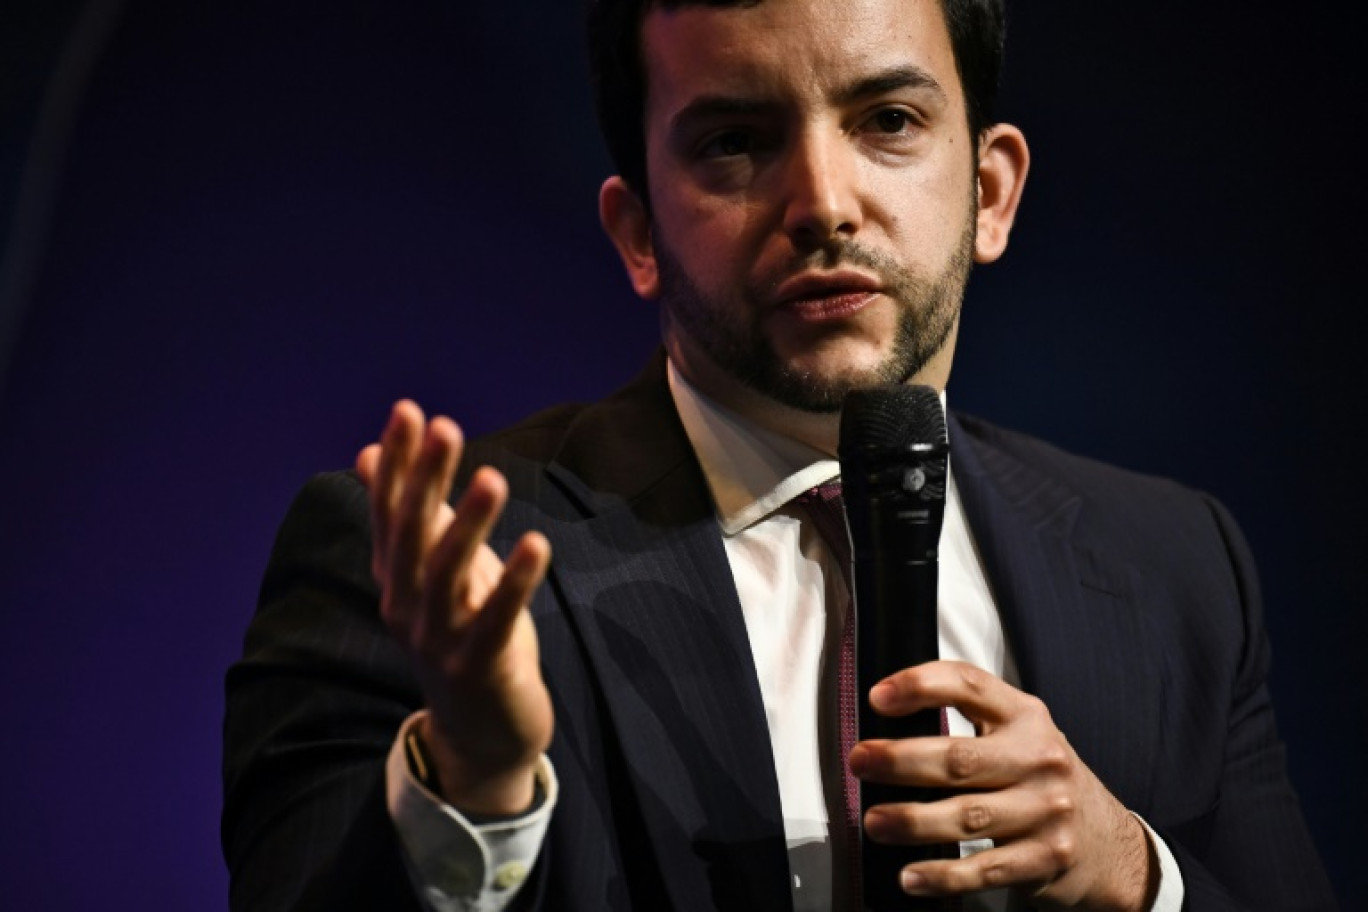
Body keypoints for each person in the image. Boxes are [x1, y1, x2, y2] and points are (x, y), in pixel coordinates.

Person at [221, 0, 1336, 909]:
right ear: (639, 234)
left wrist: (1133, 874)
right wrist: (477, 779)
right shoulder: (421, 561)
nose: (822, 203)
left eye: (888, 120)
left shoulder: (1178, 565)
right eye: (736, 141)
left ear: (990, 192)